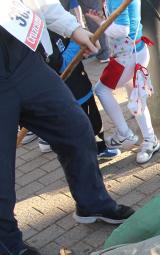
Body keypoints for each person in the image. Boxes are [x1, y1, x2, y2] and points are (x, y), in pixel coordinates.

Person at [0, 0, 135, 255]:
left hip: (24, 58)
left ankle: (92, 202)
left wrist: (74, 29)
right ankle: (7, 239)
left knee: (75, 128)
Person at [86, 0, 160, 164]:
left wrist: (100, 22)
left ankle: (124, 133)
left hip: (128, 56)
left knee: (102, 90)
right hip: (132, 52)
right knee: (137, 99)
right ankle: (149, 139)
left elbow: (122, 29)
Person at [27, 31, 120, 159]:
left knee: (94, 120)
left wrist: (80, 41)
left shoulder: (53, 29)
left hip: (81, 86)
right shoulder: (41, 41)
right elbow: (61, 65)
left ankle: (99, 147)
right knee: (84, 126)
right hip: (72, 94)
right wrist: (77, 42)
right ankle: (92, 152)